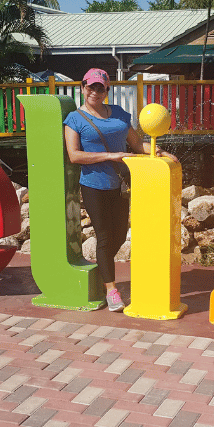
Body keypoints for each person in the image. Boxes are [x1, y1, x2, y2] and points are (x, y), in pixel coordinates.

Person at [64, 68, 178, 311]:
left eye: (100, 87)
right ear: (83, 87)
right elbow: (74, 155)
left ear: (107, 91)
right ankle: (112, 290)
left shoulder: (118, 114)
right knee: (104, 236)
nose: (94, 91)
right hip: (94, 185)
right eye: (90, 86)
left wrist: (159, 151)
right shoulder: (75, 119)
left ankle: (104, 270)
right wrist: (111, 155)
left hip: (120, 185)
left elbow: (137, 144)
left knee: (118, 234)